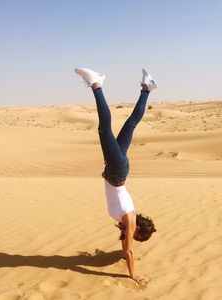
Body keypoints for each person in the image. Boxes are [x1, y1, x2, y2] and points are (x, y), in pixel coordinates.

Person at [75, 67, 157, 284]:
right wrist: (134, 275)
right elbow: (129, 251)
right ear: (137, 229)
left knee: (130, 124)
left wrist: (125, 251)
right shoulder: (129, 219)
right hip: (116, 170)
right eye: (135, 236)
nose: (131, 237)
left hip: (119, 170)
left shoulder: (127, 220)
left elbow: (125, 248)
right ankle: (97, 84)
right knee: (104, 129)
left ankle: (146, 88)